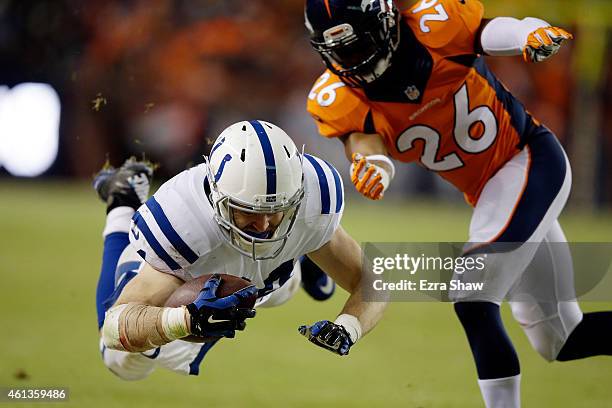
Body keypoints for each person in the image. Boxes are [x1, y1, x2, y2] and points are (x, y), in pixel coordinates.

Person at [304, 0, 612, 406]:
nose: (354, 62)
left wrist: (526, 34)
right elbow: (363, 139)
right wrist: (374, 164)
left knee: (472, 297)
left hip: (528, 160)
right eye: (341, 53)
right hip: (492, 194)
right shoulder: (338, 95)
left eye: (360, 46)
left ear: (387, 22)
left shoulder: (433, 24)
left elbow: (490, 32)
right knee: (562, 340)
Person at [94, 120, 385, 380]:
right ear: (218, 198)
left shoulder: (315, 195)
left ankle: (303, 255)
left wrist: (348, 327)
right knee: (122, 364)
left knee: (279, 283)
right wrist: (185, 319)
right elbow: (114, 328)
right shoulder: (181, 221)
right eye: (247, 211)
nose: (264, 225)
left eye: (277, 210)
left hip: (263, 278)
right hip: (197, 279)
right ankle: (122, 200)